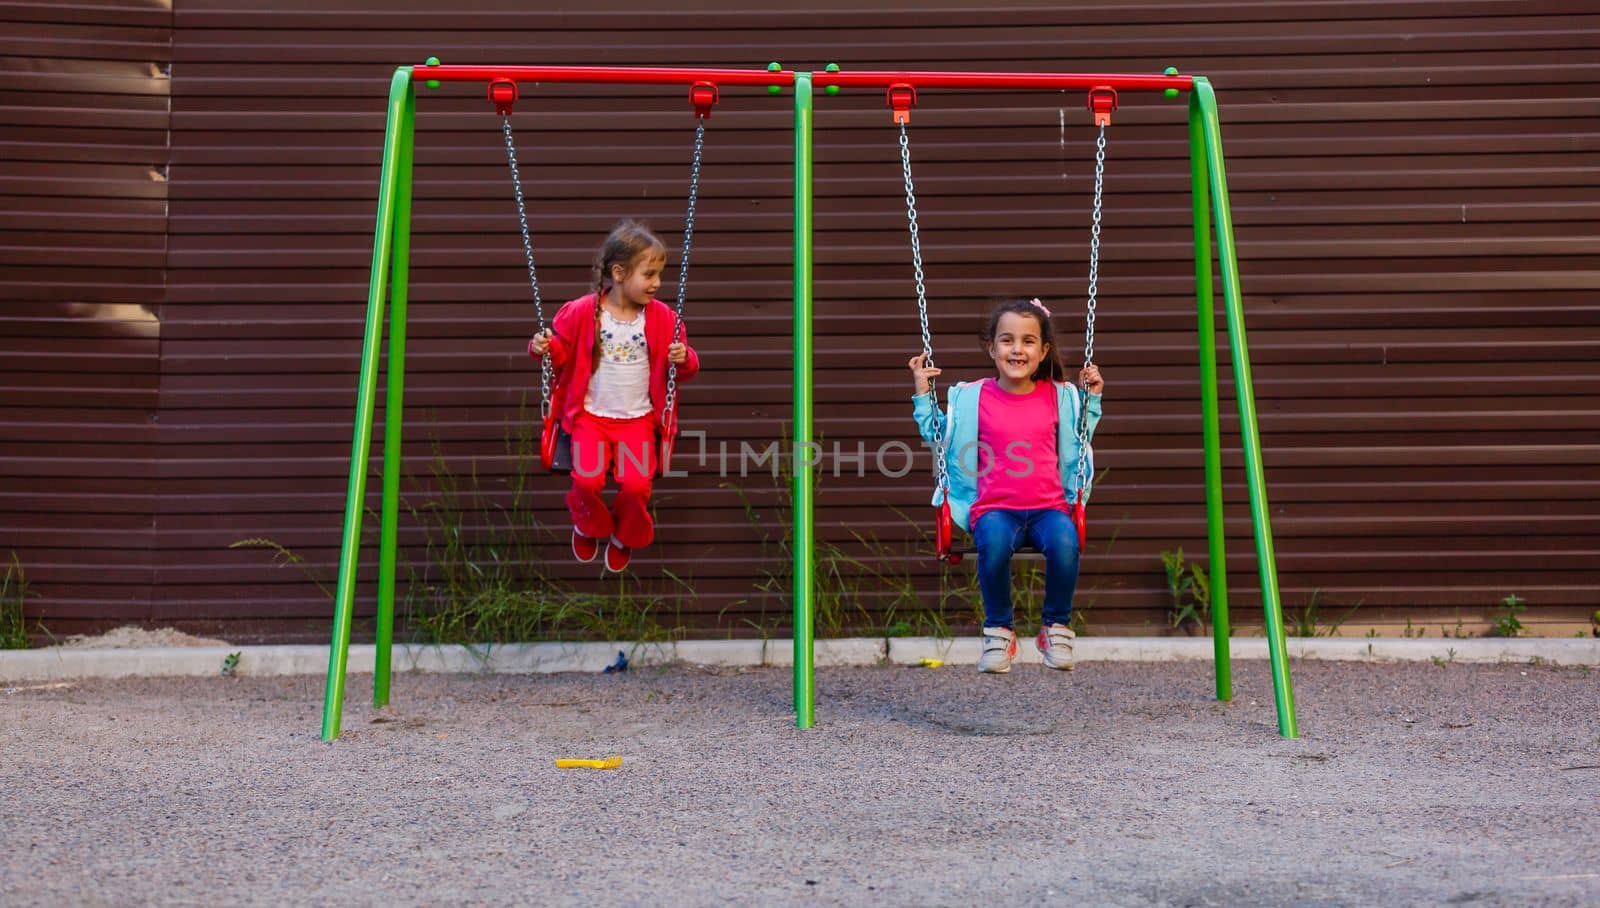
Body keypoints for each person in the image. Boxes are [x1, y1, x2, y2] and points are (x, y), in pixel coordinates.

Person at [910, 298, 1104, 673]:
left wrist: (1092, 398)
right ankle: (999, 630)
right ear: (991, 347)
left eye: (1028, 341)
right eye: (1007, 340)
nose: (1017, 349)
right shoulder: (973, 397)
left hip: (1049, 508)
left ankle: (1055, 627)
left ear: (1043, 350)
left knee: (1067, 544)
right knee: (993, 545)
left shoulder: (1060, 395)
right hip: (995, 508)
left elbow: (1081, 437)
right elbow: (940, 435)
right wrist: (922, 393)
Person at [528, 219, 700, 572]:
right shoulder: (582, 312)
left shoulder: (664, 318)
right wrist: (542, 347)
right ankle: (589, 524)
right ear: (619, 273)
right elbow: (560, 353)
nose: (657, 283)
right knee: (587, 480)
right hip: (591, 418)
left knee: (637, 487)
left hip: (637, 421)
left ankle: (624, 534)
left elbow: (684, 368)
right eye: (649, 274)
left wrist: (685, 358)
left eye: (659, 275)